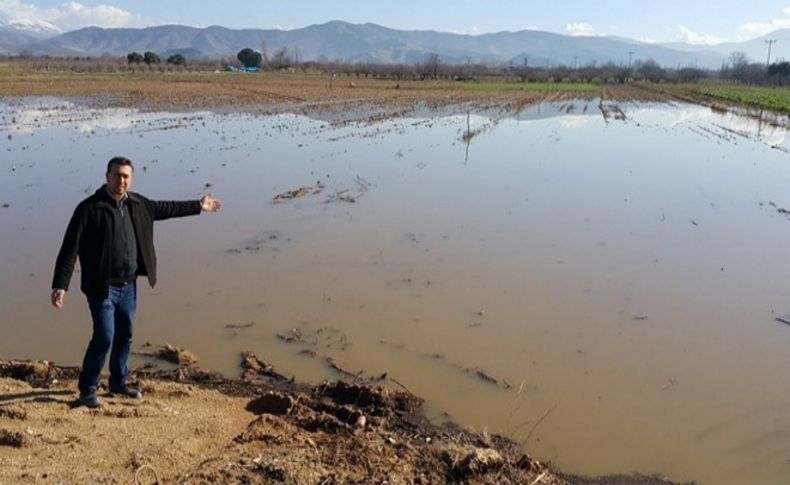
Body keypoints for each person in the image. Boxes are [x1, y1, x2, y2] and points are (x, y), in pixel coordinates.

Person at [50, 156, 221, 408]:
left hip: (129, 285)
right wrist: (60, 285)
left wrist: (198, 205)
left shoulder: (139, 205)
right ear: (107, 176)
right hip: (102, 287)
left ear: (131, 178)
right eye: (117, 175)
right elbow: (69, 249)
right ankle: (87, 388)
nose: (121, 180)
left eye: (126, 176)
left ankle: (119, 383)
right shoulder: (89, 208)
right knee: (104, 336)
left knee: (125, 334)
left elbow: (167, 208)